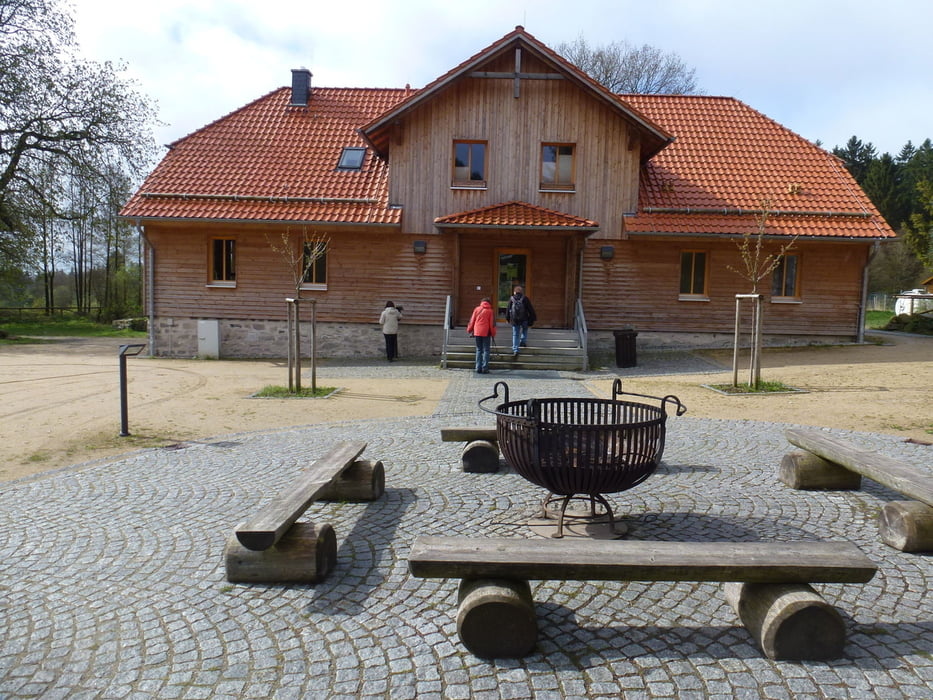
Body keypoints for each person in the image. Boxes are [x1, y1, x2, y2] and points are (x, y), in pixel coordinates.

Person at [466, 296, 496, 374]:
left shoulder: (477, 309)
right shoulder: (490, 311)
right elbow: (491, 324)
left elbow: (472, 320)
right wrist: (493, 333)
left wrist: (469, 329)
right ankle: (485, 368)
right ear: (489, 303)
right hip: (486, 332)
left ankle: (478, 367)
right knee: (486, 350)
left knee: (479, 349)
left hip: (477, 332)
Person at [506, 285, 536, 356]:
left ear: (514, 292)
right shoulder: (525, 298)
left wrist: (507, 318)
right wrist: (533, 318)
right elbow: (530, 309)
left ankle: (515, 349)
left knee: (515, 334)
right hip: (524, 319)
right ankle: (523, 341)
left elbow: (507, 310)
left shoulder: (511, 299)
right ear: (521, 292)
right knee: (524, 330)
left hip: (514, 320)